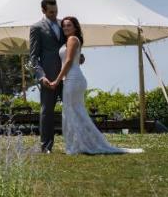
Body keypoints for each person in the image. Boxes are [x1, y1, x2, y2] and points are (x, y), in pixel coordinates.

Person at [51, 16, 143, 155]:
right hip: (74, 79)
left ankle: (78, 145)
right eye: (63, 26)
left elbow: (69, 61)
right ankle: (80, 144)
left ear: (75, 27)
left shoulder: (72, 39)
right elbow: (74, 58)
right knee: (76, 112)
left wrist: (57, 80)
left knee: (72, 112)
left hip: (73, 79)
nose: (65, 28)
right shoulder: (72, 41)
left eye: (69, 25)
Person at [29, 0, 65, 153]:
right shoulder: (36, 28)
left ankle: (77, 142)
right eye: (51, 12)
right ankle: (46, 146)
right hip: (48, 77)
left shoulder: (63, 24)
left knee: (72, 109)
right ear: (43, 10)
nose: (54, 14)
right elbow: (33, 57)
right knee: (47, 111)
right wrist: (41, 76)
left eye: (56, 11)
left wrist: (79, 56)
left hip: (67, 74)